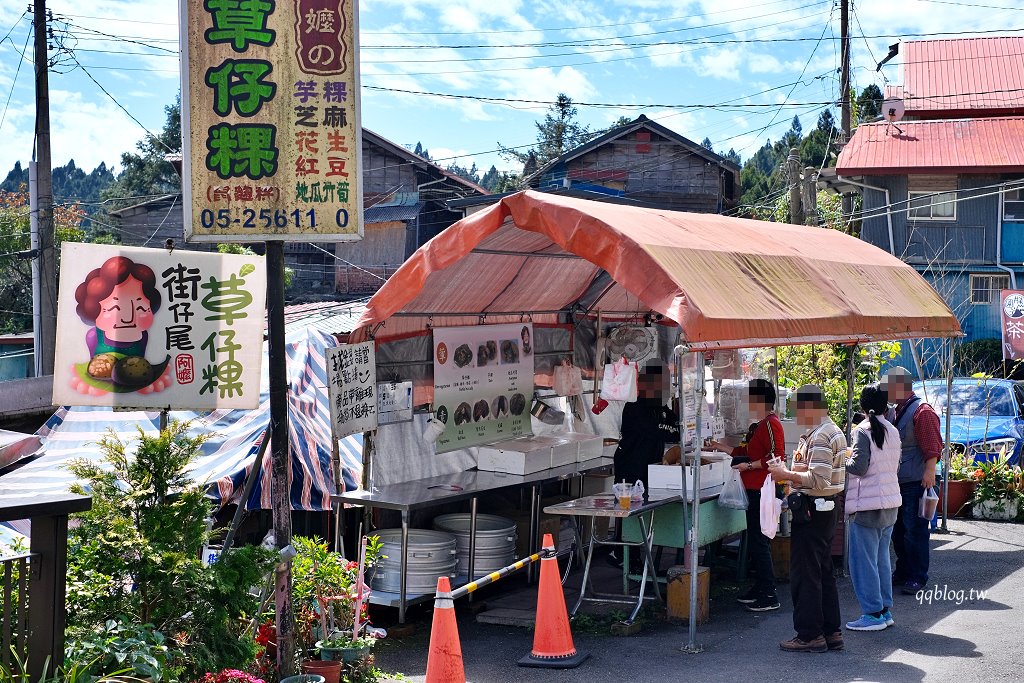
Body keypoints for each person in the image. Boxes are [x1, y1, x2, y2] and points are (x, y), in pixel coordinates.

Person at [768, 384, 847, 653]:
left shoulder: (822, 435)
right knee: (822, 571)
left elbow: (817, 478)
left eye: (798, 409)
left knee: (806, 573)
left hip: (814, 508)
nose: (796, 414)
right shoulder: (822, 431)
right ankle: (830, 631)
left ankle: (809, 634)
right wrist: (788, 472)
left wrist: (785, 474)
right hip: (821, 508)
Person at [708, 378, 784, 612]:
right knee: (754, 540)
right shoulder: (759, 425)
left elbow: (776, 457)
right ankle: (761, 587)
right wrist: (719, 447)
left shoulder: (771, 424)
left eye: (751, 398)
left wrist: (748, 467)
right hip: (753, 489)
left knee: (760, 542)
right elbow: (743, 452)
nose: (748, 402)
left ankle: (769, 594)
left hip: (764, 489)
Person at [845, 385, 902, 632]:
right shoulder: (893, 429)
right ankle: (884, 610)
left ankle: (872, 613)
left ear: (863, 406)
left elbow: (858, 467)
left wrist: (841, 460)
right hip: (890, 503)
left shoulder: (862, 431)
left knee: (863, 562)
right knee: (881, 559)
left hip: (867, 506)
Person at [883, 367, 942, 595]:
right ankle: (904, 570)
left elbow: (933, 446)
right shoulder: (896, 410)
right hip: (899, 481)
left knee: (915, 530)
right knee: (899, 530)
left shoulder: (922, 411)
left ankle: (918, 576)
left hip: (916, 481)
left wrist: (930, 472)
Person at [612, 359, 680, 489]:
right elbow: (658, 431)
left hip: (651, 470)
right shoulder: (634, 406)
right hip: (630, 472)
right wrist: (674, 431)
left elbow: (677, 427)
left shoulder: (660, 406)